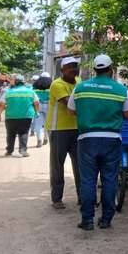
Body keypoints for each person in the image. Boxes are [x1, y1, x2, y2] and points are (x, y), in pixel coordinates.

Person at [68, 55, 128, 230]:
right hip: (112, 140)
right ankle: (106, 219)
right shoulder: (121, 89)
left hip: (87, 139)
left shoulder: (80, 88)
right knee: (110, 179)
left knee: (88, 180)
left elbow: (71, 111)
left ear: (95, 69)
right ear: (111, 69)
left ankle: (87, 220)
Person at [47, 56, 81, 210]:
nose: (73, 69)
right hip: (58, 129)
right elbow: (69, 105)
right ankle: (57, 199)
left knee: (81, 164)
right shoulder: (57, 84)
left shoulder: (80, 82)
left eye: (75, 66)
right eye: (69, 67)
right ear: (62, 70)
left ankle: (83, 197)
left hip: (77, 128)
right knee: (58, 165)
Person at [0, 74, 39, 157]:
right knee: (24, 133)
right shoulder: (31, 92)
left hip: (11, 117)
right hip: (26, 116)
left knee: (10, 134)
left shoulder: (8, 92)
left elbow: (1, 105)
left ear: (15, 82)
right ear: (23, 82)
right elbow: (36, 103)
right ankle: (23, 150)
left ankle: (9, 150)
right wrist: (37, 112)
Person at [31, 73, 52, 147]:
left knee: (38, 124)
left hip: (38, 105)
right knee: (47, 123)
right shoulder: (52, 85)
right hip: (48, 105)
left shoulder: (35, 85)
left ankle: (39, 139)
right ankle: (46, 139)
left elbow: (32, 95)